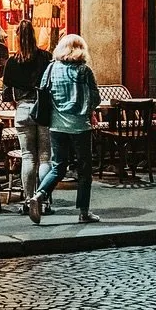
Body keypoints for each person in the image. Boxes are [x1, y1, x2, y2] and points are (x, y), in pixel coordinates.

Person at [27, 33, 102, 225]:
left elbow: (43, 92)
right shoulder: (84, 71)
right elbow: (95, 98)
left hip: (57, 126)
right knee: (84, 170)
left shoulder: (51, 68)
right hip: (80, 127)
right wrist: (88, 110)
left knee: (58, 166)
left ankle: (38, 195)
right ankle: (84, 212)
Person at [2, 19, 53, 215]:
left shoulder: (12, 62)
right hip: (43, 111)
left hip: (23, 111)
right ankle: (44, 199)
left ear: (17, 38)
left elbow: (7, 94)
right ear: (34, 35)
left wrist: (19, 104)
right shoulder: (46, 57)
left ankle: (28, 199)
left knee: (28, 157)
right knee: (45, 157)